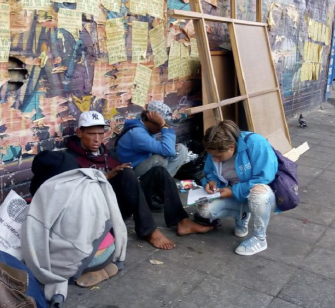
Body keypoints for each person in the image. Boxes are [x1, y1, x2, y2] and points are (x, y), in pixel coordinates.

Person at [67, 111, 212, 249]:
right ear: (80, 132)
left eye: (100, 134)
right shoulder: (70, 158)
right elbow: (76, 193)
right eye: (91, 134)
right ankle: (148, 230)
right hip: (102, 208)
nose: (97, 139)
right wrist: (107, 177)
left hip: (124, 201)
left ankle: (182, 220)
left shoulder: (106, 153)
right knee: (127, 173)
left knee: (159, 172)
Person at [23, 151, 128, 304]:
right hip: (110, 248)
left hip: (83, 259)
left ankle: (81, 271)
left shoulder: (53, 191)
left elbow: (37, 235)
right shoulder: (91, 180)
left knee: (32, 251)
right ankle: (104, 263)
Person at [198, 120, 279, 256]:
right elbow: (210, 172)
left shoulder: (256, 143)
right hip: (233, 193)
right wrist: (211, 181)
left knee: (258, 192)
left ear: (231, 147)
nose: (215, 159)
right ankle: (241, 215)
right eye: (212, 156)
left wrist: (233, 191)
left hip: (265, 197)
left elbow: (264, 177)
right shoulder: (215, 148)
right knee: (204, 209)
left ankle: (260, 238)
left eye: (218, 156)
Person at [116, 100, 187, 178]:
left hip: (143, 164)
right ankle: (161, 184)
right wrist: (163, 125)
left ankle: (165, 183)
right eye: (160, 125)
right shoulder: (137, 133)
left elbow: (169, 150)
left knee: (181, 149)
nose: (161, 129)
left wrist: (163, 125)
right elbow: (168, 150)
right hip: (131, 173)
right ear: (150, 120)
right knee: (159, 160)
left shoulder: (146, 128)